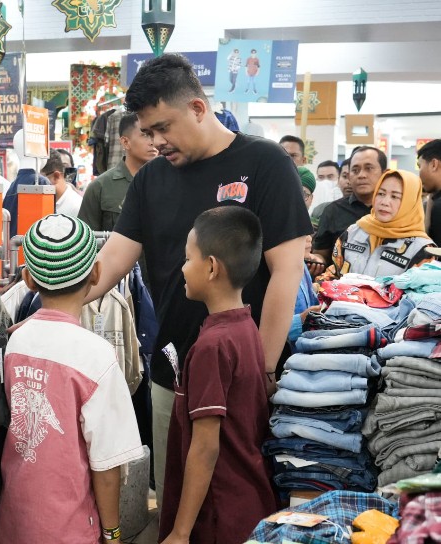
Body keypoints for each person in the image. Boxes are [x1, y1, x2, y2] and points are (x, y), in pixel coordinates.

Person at [87, 53, 311, 509]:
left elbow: (286, 272)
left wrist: (260, 370)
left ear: (197, 107)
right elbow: (112, 259)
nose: (156, 142)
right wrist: (53, 301)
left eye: (164, 127)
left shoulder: (265, 163)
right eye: (148, 132)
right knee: (176, 505)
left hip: (243, 374)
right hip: (174, 373)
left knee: (238, 506)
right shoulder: (150, 179)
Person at [0, 214, 144, 544]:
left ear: (28, 280)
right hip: (71, 528)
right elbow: (106, 466)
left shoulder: (15, 341)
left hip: (15, 519)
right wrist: (112, 532)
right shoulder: (96, 356)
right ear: (96, 272)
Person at [159, 207, 276, 544]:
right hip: (248, 498)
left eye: (187, 258)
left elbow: (205, 447)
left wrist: (180, 533)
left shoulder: (213, 346)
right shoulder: (245, 325)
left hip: (218, 514)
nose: (182, 268)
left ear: (211, 267)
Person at [317, 169, 434, 282]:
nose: (384, 202)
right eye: (381, 193)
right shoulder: (354, 232)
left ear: (410, 202)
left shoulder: (422, 249)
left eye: (395, 196)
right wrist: (318, 287)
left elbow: (420, 296)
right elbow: (335, 272)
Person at [78, 112, 158, 231]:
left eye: (154, 134)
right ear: (125, 142)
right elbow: (87, 240)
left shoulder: (170, 181)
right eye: (145, 135)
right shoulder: (100, 187)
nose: (153, 142)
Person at [313, 146, 387, 265]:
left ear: (385, 174)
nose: (361, 175)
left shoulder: (396, 210)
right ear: (349, 176)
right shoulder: (333, 211)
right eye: (355, 170)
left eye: (369, 168)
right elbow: (322, 255)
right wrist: (315, 261)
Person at [41, 149, 83, 216]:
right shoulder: (47, 201)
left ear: (56, 176)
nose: (36, 185)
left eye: (41, 179)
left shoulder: (76, 207)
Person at [417, 139, 441, 245]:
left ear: (433, 165)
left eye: (420, 166)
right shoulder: (435, 201)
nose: (419, 174)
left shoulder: (439, 206)